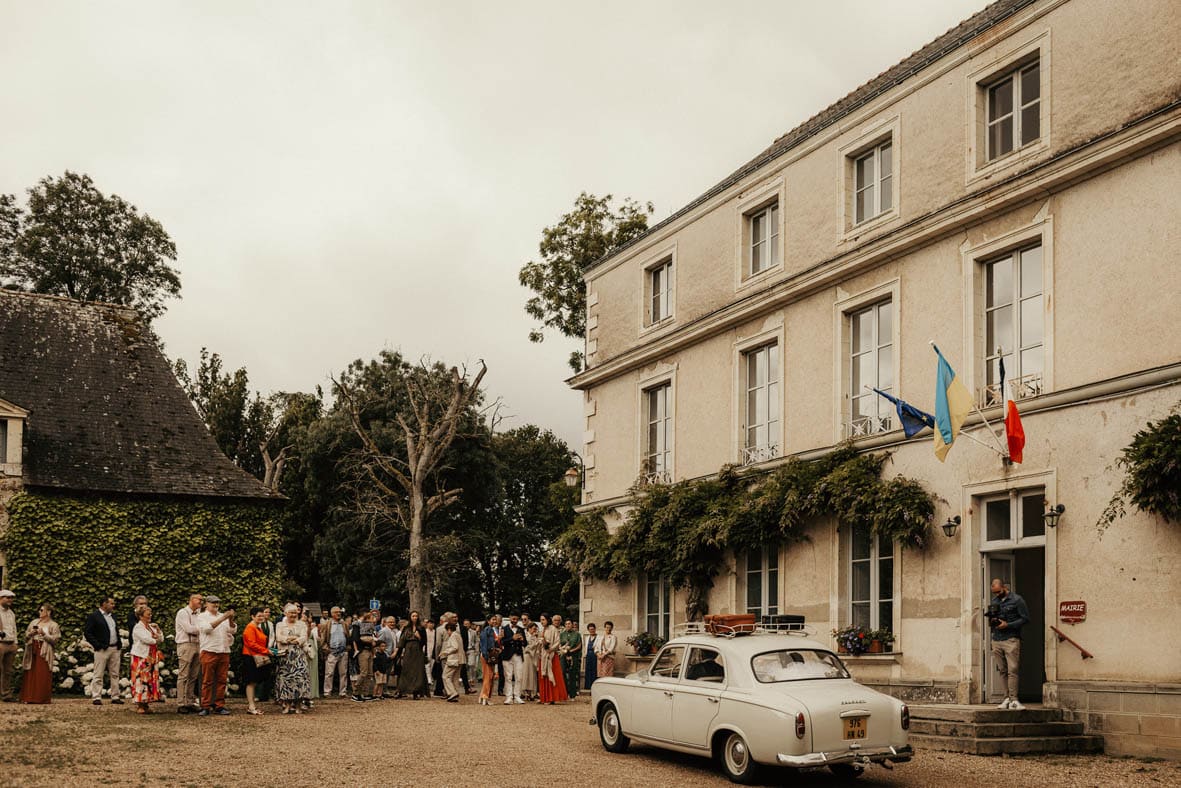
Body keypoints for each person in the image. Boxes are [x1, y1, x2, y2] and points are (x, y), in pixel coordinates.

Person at [990, 577, 1030, 711]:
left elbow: (1025, 619)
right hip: (997, 639)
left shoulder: (1017, 600)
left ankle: (1014, 700)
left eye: (998, 592)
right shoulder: (994, 601)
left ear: (1004, 587)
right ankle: (1006, 698)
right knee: (1002, 670)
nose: (996, 595)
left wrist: (1008, 625)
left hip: (1011, 639)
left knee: (1012, 670)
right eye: (994, 593)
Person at [197, 595, 236, 716]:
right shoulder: (201, 617)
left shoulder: (222, 615)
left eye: (218, 603)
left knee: (222, 680)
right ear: (206, 604)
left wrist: (230, 619)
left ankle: (219, 705)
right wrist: (223, 618)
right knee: (207, 680)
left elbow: (233, 630)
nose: (216, 605)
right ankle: (206, 706)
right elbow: (207, 629)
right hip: (209, 650)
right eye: (213, 603)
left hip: (223, 651)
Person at [84, 595, 124, 705]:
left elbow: (115, 630)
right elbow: (88, 632)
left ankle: (115, 696)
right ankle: (96, 696)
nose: (113, 605)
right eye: (111, 603)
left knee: (115, 673)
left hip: (115, 648)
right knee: (98, 673)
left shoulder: (113, 616)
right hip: (102, 649)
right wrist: (97, 645)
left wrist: (119, 644)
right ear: (104, 604)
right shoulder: (94, 616)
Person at [20, 604, 59, 704]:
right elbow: (26, 635)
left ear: (49, 612)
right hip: (32, 648)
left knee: (42, 673)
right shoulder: (34, 622)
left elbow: (55, 640)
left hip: (44, 651)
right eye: (39, 610)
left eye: (42, 610)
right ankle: (28, 697)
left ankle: (41, 698)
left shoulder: (53, 625)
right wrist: (31, 633)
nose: (39, 612)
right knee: (30, 672)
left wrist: (43, 634)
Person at [275, 603, 311, 714]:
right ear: (285, 613)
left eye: (295, 612)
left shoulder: (301, 624)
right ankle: (287, 705)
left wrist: (296, 640)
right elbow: (278, 637)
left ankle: (299, 705)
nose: (293, 615)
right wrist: (289, 638)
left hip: (299, 656)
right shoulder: (280, 625)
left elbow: (304, 637)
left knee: (300, 680)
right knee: (286, 680)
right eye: (291, 612)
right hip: (285, 656)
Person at [129, 605, 163, 714]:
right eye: (148, 614)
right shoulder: (138, 627)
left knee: (150, 680)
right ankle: (140, 704)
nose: (150, 616)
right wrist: (156, 639)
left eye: (150, 614)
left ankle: (146, 703)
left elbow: (161, 638)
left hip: (151, 657)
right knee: (141, 680)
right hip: (141, 657)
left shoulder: (151, 627)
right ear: (141, 616)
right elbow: (148, 640)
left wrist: (158, 630)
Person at [173, 593, 203, 713]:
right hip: (185, 644)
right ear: (191, 600)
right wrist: (203, 628)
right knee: (184, 674)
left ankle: (190, 701)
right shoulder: (182, 613)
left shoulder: (199, 614)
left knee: (194, 675)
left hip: (198, 644)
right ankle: (181, 703)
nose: (201, 601)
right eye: (199, 599)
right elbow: (189, 629)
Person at [242, 607, 273, 715]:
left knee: (254, 682)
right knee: (251, 682)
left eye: (262, 615)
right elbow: (251, 644)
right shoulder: (250, 628)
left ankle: (252, 706)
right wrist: (266, 651)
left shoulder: (257, 627)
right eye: (259, 616)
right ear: (252, 616)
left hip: (256, 656)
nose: (261, 618)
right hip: (250, 657)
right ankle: (251, 706)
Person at [395, 612, 428, 699]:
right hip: (408, 650)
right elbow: (401, 641)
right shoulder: (406, 628)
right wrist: (398, 652)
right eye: (413, 616)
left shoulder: (421, 628)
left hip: (418, 650)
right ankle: (401, 691)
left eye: (416, 616)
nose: (415, 617)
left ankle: (416, 692)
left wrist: (419, 637)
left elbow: (425, 642)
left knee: (417, 671)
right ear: (410, 617)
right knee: (406, 670)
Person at [320, 606, 349, 698]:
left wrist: (348, 647)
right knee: (329, 673)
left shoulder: (344, 624)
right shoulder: (327, 624)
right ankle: (327, 692)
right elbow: (323, 639)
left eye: (339, 612)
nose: (338, 614)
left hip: (343, 651)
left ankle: (343, 692)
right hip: (331, 651)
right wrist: (326, 649)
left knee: (343, 673)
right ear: (332, 614)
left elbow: (348, 637)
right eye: (336, 612)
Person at [538, 614, 568, 704]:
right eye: (541, 620)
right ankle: (545, 697)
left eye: (543, 619)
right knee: (544, 675)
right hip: (543, 655)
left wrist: (550, 649)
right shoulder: (542, 630)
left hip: (551, 655)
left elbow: (557, 641)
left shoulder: (553, 629)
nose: (542, 621)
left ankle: (552, 697)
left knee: (553, 674)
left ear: (548, 620)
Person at [350, 610, 377, 702]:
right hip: (363, 651)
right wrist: (368, 641)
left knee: (369, 673)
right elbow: (356, 639)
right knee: (364, 672)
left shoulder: (369, 627)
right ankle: (355, 693)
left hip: (369, 650)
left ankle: (366, 693)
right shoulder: (357, 625)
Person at [500, 613, 525, 704]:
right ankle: (509, 696)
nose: (514, 621)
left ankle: (517, 696)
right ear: (510, 618)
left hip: (518, 655)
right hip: (507, 655)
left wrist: (522, 640)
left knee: (519, 676)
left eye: (516, 619)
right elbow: (502, 642)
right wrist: (512, 638)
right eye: (513, 619)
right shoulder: (504, 629)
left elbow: (525, 643)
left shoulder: (521, 629)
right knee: (508, 677)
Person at [478, 615, 503, 706]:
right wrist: (486, 655)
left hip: (491, 654)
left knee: (490, 676)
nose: (495, 621)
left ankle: (483, 696)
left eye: (495, 620)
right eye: (493, 620)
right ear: (488, 621)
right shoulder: (487, 630)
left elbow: (493, 643)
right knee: (488, 677)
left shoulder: (491, 630)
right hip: (487, 655)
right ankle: (485, 696)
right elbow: (484, 645)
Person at [0, 589, 17, 703]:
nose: (10, 600)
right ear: (1, 599)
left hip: (11, 643)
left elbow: (14, 628)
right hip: (0, 643)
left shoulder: (11, 613)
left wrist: (15, 642)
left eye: (11, 598)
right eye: (8, 597)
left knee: (8, 671)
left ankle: (6, 694)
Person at [440, 621, 464, 702]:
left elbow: (455, 647)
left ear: (449, 629)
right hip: (460, 659)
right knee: (455, 678)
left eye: (447, 630)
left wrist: (445, 652)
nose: (447, 632)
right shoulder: (458, 635)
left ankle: (451, 692)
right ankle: (455, 693)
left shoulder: (453, 636)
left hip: (453, 659)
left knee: (445, 676)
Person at [560, 618, 582, 697]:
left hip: (573, 655)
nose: (568, 625)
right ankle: (565, 692)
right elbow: (559, 644)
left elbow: (579, 645)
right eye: (566, 624)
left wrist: (571, 650)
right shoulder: (562, 634)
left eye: (569, 624)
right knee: (562, 672)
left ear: (572, 625)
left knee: (572, 674)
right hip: (564, 655)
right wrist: (563, 649)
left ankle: (572, 694)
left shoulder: (577, 634)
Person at [302, 610, 321, 704]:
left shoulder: (310, 625)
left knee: (312, 671)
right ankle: (305, 694)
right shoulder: (299, 625)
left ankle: (311, 693)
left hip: (312, 649)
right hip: (304, 648)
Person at [521, 622, 542, 701]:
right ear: (529, 629)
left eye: (536, 629)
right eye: (533, 629)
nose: (535, 630)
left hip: (533, 657)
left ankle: (531, 692)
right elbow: (526, 647)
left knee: (532, 675)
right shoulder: (525, 636)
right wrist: (535, 644)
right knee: (525, 673)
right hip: (526, 656)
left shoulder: (535, 637)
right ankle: (524, 692)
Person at [465, 620, 482, 688]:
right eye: (465, 624)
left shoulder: (473, 632)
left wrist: (476, 650)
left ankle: (471, 679)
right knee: (465, 665)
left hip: (471, 649)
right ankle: (466, 679)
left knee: (471, 664)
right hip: (464, 650)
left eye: (467, 624)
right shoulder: (461, 632)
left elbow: (477, 641)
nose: (466, 625)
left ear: (470, 625)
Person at [583, 622, 599, 689]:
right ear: (588, 630)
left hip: (595, 656)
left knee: (594, 671)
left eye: (593, 629)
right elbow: (585, 647)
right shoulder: (587, 638)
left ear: (595, 629)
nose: (591, 631)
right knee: (588, 670)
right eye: (590, 629)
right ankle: (587, 687)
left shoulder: (598, 637)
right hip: (588, 656)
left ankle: (594, 687)